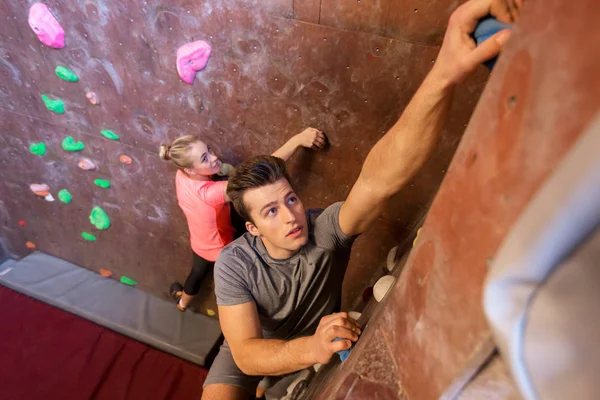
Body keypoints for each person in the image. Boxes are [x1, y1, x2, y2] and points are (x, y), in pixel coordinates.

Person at [201, 0, 520, 397]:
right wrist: (311, 348)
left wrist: (444, 74)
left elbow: (378, 180)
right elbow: (247, 354)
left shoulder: (325, 230)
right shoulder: (235, 262)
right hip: (255, 347)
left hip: (310, 345)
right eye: (270, 211)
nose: (290, 215)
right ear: (252, 228)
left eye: (290, 200)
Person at [159, 128, 327, 311]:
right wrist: (297, 139)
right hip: (218, 245)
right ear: (190, 169)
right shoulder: (210, 194)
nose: (214, 158)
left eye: (209, 150)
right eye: (204, 159)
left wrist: (217, 168)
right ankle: (185, 303)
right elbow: (261, 171)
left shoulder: (181, 176)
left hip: (199, 238)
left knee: (197, 274)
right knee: (236, 270)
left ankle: (182, 303)